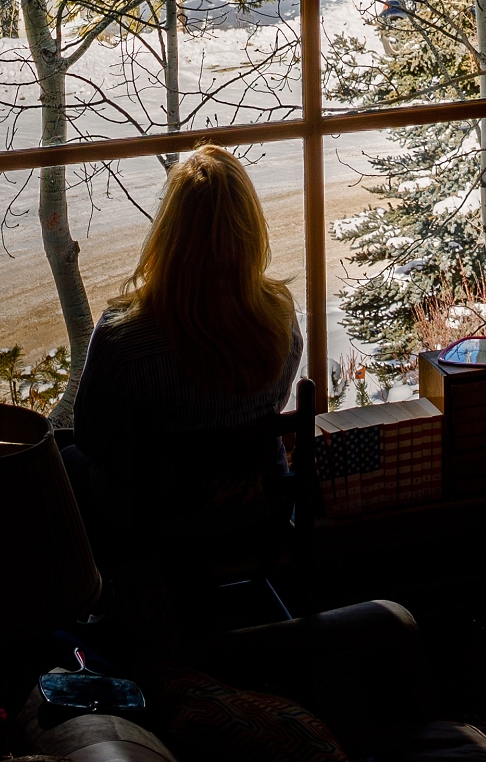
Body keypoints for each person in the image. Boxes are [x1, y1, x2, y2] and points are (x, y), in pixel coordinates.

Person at [54, 145, 303, 559]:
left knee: (66, 461)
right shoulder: (278, 315)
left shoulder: (123, 338)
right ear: (250, 229)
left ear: (167, 235)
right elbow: (274, 402)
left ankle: (106, 601)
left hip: (158, 532)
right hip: (262, 514)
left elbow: (93, 438)